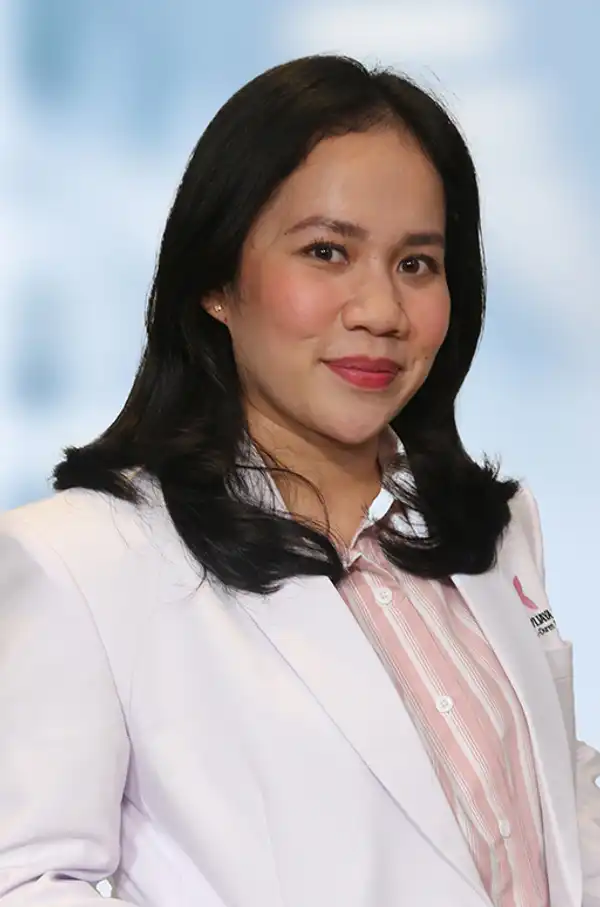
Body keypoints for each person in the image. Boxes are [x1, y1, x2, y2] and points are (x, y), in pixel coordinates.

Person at [0, 54, 598, 907]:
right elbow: (23, 879)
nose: (380, 311)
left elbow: (546, 808)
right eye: (327, 252)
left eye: (417, 264)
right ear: (216, 279)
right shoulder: (80, 562)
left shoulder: (494, 526)